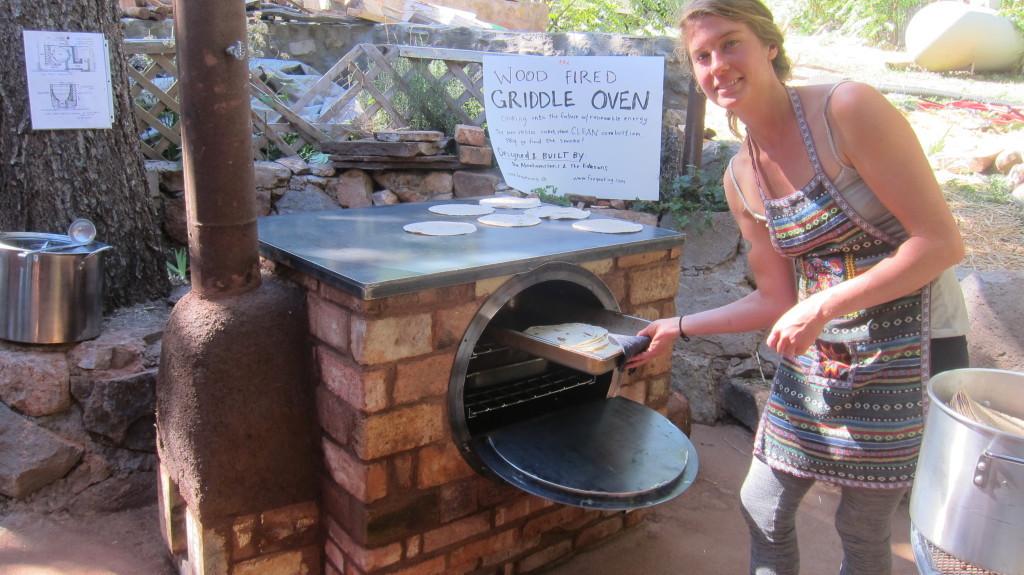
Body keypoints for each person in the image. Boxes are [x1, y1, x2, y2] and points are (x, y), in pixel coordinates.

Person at [624, 0, 971, 573]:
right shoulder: (742, 176)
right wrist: (676, 327)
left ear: (770, 46)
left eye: (731, 43)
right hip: (824, 346)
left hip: (911, 342)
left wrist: (827, 302)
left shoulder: (847, 109)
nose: (718, 66)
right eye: (702, 56)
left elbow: (939, 244)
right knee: (762, 504)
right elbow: (778, 300)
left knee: (862, 528)